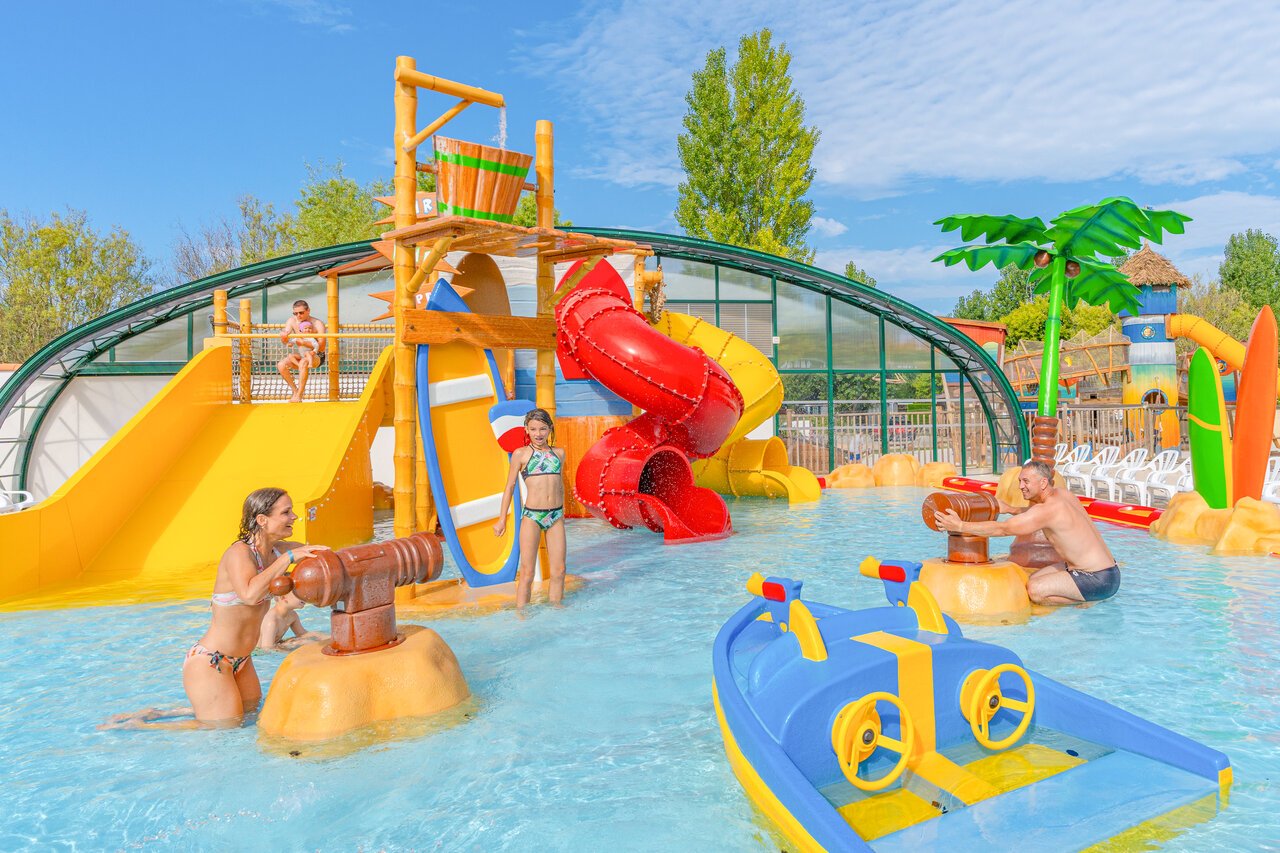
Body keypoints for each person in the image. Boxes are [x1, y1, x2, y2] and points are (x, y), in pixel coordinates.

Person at [99, 488, 328, 729]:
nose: (294, 517)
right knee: (223, 726)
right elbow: (250, 594)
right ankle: (139, 726)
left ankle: (158, 713)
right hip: (211, 661)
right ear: (262, 519)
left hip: (242, 660)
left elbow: (324, 558)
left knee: (251, 716)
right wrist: (288, 559)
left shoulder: (279, 551)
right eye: (286, 512)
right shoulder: (239, 554)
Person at [933, 459, 1120, 605]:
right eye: (1020, 481)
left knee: (1035, 591)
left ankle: (1091, 600)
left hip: (1099, 578)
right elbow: (1037, 516)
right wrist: (1011, 509)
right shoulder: (1063, 495)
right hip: (1108, 570)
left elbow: (1003, 529)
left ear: (1044, 482)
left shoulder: (1046, 510)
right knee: (1033, 578)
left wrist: (959, 526)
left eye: (1026, 481)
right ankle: (1089, 595)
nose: (1021, 486)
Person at [493, 408, 567, 607]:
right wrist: (502, 520)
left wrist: (563, 512)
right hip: (532, 517)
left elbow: (559, 485)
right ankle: (521, 615)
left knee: (559, 571)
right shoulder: (521, 454)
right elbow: (509, 487)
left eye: (543, 429)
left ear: (550, 429)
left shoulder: (558, 454)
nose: (538, 434)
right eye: (533, 429)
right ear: (526, 430)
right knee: (527, 573)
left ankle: (556, 611)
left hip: (556, 516)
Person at [277, 300, 327, 403]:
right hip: (302, 354)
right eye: (295, 313)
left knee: (304, 362)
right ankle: (295, 391)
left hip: (317, 355)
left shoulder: (317, 323)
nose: (298, 315)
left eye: (301, 313)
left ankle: (299, 395)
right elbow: (285, 341)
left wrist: (303, 343)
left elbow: (321, 345)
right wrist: (284, 337)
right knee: (281, 365)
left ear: (308, 311)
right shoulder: (292, 321)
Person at [258, 590, 329, 651]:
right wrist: (290, 652)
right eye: (298, 594)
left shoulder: (292, 615)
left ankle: (333, 641)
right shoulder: (272, 621)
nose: (304, 597)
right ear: (283, 598)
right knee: (303, 642)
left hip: (277, 644)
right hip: (259, 652)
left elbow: (301, 634)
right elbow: (267, 649)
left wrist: (317, 635)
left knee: (313, 635)